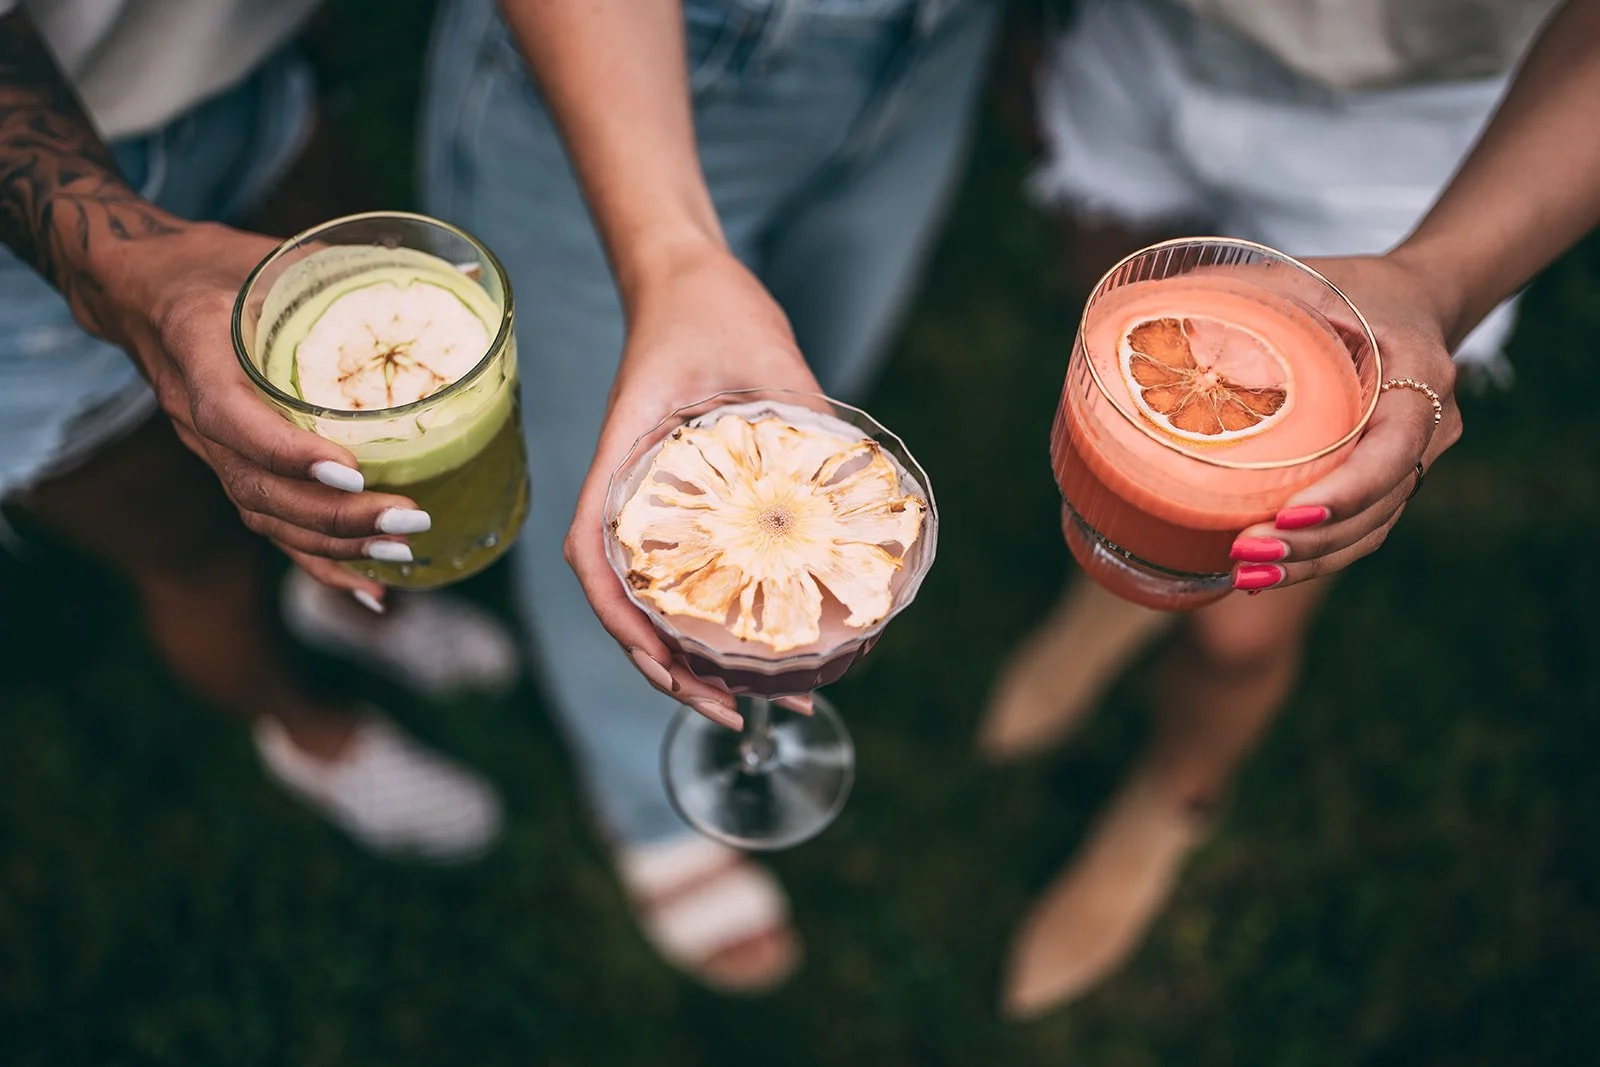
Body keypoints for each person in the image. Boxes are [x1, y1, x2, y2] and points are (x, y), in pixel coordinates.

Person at [987, 0, 1600, 1018]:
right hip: (1143, 43)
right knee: (1125, 346)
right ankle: (1127, 580)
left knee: (1241, 625)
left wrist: (1433, 279)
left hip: (1411, 140)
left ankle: (1175, 794)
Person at [421, 0, 1003, 990]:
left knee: (797, 406)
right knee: (602, 484)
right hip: (639, 55)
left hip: (940, 41)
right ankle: (643, 788)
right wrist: (670, 253)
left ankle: (749, 682)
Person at [0, 0, 503, 862]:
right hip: (17, 274)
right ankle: (308, 732)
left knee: (362, 440)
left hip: (230, 98)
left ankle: (357, 610)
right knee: (194, 556)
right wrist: (126, 265)